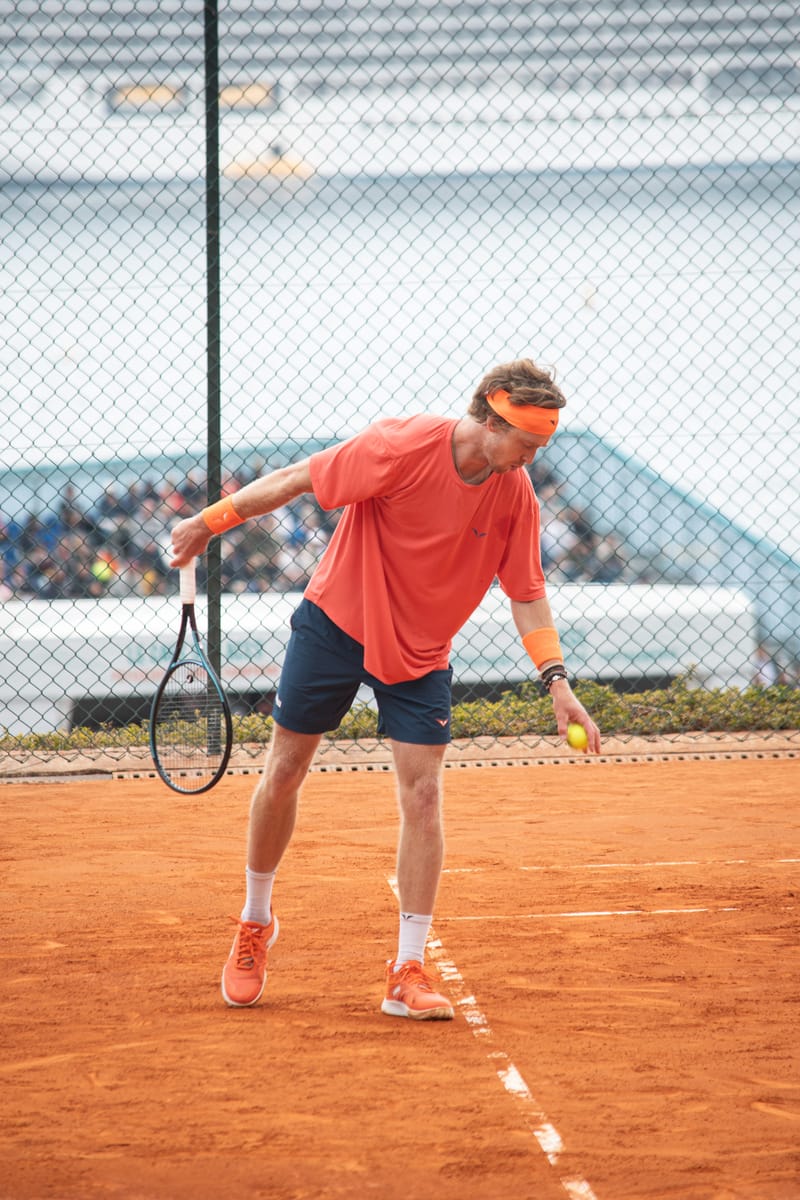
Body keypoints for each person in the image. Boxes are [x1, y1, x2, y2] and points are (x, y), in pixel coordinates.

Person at [169, 357, 601, 1021]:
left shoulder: (516, 495)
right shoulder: (400, 445)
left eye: (541, 445)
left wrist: (558, 682)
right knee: (283, 772)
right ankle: (255, 921)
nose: (533, 457)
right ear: (492, 413)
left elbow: (529, 594)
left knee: (424, 796)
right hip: (337, 622)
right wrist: (207, 522)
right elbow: (295, 479)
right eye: (527, 441)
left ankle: (407, 968)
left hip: (421, 652)